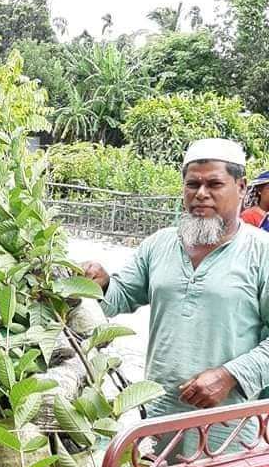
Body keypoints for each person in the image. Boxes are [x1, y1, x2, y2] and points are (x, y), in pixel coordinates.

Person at [84, 138, 269, 451]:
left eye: (214, 184)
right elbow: (118, 297)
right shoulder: (159, 245)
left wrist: (230, 375)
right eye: (192, 184)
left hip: (226, 432)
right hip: (157, 419)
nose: (200, 194)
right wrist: (99, 283)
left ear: (241, 187)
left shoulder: (261, 252)